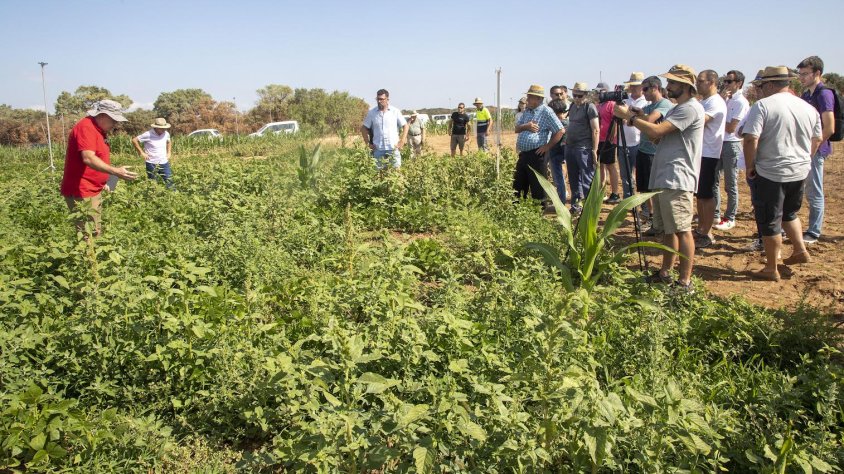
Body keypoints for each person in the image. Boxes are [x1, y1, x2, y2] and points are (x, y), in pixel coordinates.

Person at [614, 64, 705, 292]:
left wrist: (630, 118)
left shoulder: (690, 108)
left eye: (672, 83)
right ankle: (665, 272)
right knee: (667, 230)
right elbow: (658, 137)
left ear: (685, 85)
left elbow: (656, 132)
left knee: (682, 229)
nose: (668, 86)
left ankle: (685, 282)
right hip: (666, 175)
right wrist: (641, 117)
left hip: (678, 176)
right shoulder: (677, 108)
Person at [742, 66, 821, 281]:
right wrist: (805, 158)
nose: (759, 90)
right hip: (799, 170)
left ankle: (771, 267)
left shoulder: (763, 106)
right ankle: (799, 249)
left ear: (769, 85)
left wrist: (750, 165)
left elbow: (750, 139)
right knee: (789, 213)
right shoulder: (807, 107)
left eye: (760, 86)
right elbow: (818, 138)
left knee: (769, 220)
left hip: (771, 171)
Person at [60, 99, 138, 237]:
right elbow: (88, 158)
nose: (115, 124)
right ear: (102, 115)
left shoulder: (98, 129)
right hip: (83, 191)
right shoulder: (86, 127)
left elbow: (98, 158)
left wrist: (107, 179)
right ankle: (87, 258)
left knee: (93, 231)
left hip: (92, 188)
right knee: (89, 234)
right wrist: (115, 171)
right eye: (113, 120)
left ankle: (91, 256)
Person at [797, 56, 836, 244]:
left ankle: (814, 231)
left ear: (817, 73)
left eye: (805, 74)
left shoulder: (824, 94)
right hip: (805, 149)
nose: (801, 78)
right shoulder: (807, 95)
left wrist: (813, 149)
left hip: (816, 151)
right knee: (804, 189)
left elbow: (829, 127)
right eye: (800, 74)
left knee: (815, 190)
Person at [634, 76, 674, 235]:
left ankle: (656, 221)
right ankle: (651, 217)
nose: (643, 93)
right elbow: (644, 120)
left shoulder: (664, 104)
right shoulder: (649, 106)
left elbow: (650, 122)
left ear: (655, 88)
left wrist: (634, 117)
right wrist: (640, 114)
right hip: (643, 149)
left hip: (654, 152)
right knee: (644, 187)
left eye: (645, 89)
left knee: (654, 189)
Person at [693, 70, 727, 249]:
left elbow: (699, 121)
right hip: (700, 153)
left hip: (709, 153)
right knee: (700, 194)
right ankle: (701, 228)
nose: (697, 84)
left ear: (712, 82)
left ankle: (707, 232)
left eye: (701, 81)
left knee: (706, 194)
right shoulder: (704, 101)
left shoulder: (715, 102)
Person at [513, 84, 565, 202]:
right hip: (524, 154)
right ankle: (518, 208)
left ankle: (540, 212)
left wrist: (547, 146)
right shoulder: (527, 111)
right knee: (519, 184)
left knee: (538, 186)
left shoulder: (547, 111)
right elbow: (516, 129)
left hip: (537, 155)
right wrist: (526, 126)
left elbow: (560, 130)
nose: (527, 99)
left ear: (538, 99)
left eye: (530, 96)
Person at [713, 70, 750, 231]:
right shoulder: (724, 100)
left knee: (730, 184)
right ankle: (715, 214)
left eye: (729, 81)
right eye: (725, 81)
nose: (726, 84)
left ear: (739, 83)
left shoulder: (741, 102)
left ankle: (730, 216)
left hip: (731, 144)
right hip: (719, 143)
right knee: (713, 181)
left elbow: (730, 128)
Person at [565, 82, 600, 214]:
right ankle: (576, 206)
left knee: (587, 179)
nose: (577, 98)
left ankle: (591, 208)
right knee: (573, 178)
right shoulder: (573, 106)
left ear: (586, 95)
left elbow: (596, 130)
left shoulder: (590, 107)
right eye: (575, 95)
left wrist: (594, 150)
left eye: (579, 96)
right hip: (570, 147)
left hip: (583, 148)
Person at [361, 89, 408, 169]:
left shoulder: (395, 111)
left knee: (396, 172)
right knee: (379, 174)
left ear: (387, 99)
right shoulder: (372, 113)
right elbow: (363, 128)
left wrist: (402, 140)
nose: (379, 101)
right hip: (378, 149)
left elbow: (405, 125)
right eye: (378, 99)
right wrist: (368, 143)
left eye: (381, 99)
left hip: (393, 148)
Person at [620, 72, 648, 199]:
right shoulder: (625, 100)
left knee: (641, 174)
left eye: (636, 85)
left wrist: (629, 116)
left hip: (639, 143)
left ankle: (643, 202)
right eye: (632, 85)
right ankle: (628, 199)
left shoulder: (646, 102)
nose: (633, 88)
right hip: (623, 142)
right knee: (625, 174)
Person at [595, 82, 621, 204]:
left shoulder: (611, 104)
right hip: (599, 139)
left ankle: (615, 192)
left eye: (601, 91)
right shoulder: (598, 105)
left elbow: (615, 120)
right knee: (601, 165)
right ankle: (602, 192)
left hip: (609, 140)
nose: (599, 93)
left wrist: (612, 135)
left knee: (611, 165)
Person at [132, 117, 173, 189]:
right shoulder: (148, 134)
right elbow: (134, 140)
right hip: (151, 163)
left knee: (169, 181)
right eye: (161, 128)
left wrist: (169, 152)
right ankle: (153, 197)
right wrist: (141, 152)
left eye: (164, 128)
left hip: (164, 162)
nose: (164, 130)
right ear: (156, 127)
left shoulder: (166, 133)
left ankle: (172, 196)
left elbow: (168, 142)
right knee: (153, 182)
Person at [547, 88, 570, 206]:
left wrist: (547, 146)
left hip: (555, 152)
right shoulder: (569, 123)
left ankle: (561, 202)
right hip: (569, 151)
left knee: (558, 177)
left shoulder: (556, 124)